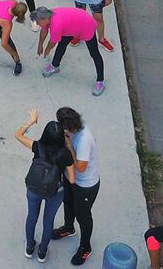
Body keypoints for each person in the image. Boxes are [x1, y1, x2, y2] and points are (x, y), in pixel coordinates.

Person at [15, 109, 75, 263]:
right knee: (48, 221)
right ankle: (42, 252)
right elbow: (72, 180)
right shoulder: (64, 154)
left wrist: (31, 120)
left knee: (32, 216)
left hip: (34, 188)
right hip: (55, 192)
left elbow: (18, 135)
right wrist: (68, 146)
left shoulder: (37, 146)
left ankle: (29, 248)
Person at [52, 106, 100, 265]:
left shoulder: (84, 139)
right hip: (70, 177)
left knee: (83, 216)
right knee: (68, 203)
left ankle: (85, 247)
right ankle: (68, 227)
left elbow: (80, 167)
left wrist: (69, 146)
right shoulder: (73, 131)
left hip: (85, 184)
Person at [33, 7, 106, 96]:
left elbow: (52, 42)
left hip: (86, 26)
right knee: (62, 44)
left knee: (94, 54)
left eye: (38, 22)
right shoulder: (49, 15)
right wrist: (40, 45)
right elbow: (44, 30)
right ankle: (55, 65)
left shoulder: (56, 25)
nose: (37, 24)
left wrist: (47, 49)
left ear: (45, 19)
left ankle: (100, 81)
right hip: (71, 24)